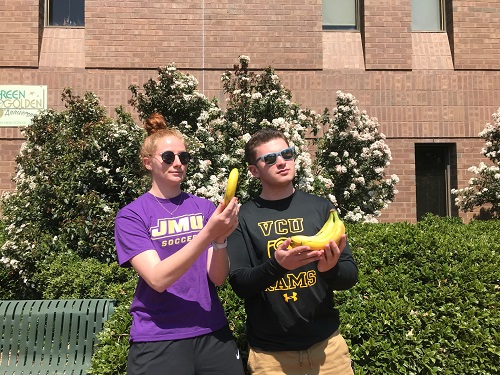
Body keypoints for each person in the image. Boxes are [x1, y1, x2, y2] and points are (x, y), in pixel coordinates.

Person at [114, 113, 245, 375]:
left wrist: (220, 240)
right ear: (148, 163)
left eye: (183, 157)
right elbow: (158, 279)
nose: (178, 163)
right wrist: (208, 234)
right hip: (158, 337)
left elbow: (217, 278)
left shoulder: (204, 207)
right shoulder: (132, 215)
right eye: (168, 157)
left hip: (211, 330)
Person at [227, 128, 358, 374]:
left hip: (328, 351)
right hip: (271, 359)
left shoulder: (321, 208)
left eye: (286, 154)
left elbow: (350, 275)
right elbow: (239, 283)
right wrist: (277, 266)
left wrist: (330, 270)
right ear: (254, 171)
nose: (281, 162)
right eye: (269, 158)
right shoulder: (243, 217)